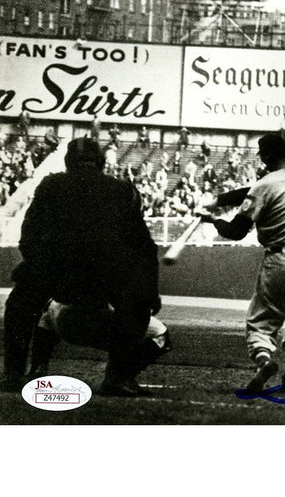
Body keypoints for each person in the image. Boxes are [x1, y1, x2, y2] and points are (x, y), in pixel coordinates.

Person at [1, 137, 169, 396]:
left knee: (19, 302)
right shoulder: (121, 189)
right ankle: (117, 376)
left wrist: (37, 265)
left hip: (56, 270)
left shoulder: (51, 184)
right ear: (102, 162)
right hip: (105, 275)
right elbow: (144, 247)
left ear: (68, 162)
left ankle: (13, 374)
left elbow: (30, 234)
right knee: (137, 303)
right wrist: (149, 291)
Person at [198, 133, 285, 394]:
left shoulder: (264, 185)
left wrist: (210, 219)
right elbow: (257, 190)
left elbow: (235, 230)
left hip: (282, 260)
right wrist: (220, 200)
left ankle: (264, 361)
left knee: (262, 321)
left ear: (266, 156)